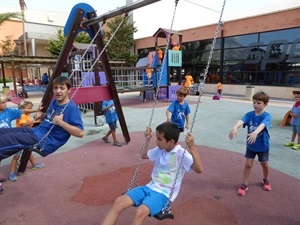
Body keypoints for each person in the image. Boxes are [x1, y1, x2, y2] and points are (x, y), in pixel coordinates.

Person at [101, 122, 203, 225]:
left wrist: (192, 147)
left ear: (171, 142)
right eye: (156, 138)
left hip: (164, 194)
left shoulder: (181, 153)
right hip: (149, 187)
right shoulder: (161, 150)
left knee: (140, 212)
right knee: (119, 202)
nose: (156, 141)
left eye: (159, 139)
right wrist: (147, 139)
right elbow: (143, 155)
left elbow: (199, 169)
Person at [0, 76, 84, 194]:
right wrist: (41, 115)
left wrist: (60, 122)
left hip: (42, 140)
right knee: (2, 133)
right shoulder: (55, 101)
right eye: (55, 88)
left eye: (62, 88)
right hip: (36, 131)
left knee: (4, 141)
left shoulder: (71, 108)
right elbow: (50, 117)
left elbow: (80, 133)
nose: (58, 91)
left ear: (69, 90)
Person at [228, 91, 272, 196]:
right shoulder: (249, 114)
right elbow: (242, 120)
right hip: (251, 145)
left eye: (258, 103)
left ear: (265, 104)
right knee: (248, 164)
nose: (255, 105)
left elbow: (263, 125)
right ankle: (244, 184)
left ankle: (266, 179)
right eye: (254, 102)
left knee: (264, 164)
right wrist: (235, 127)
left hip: (263, 146)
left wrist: (256, 132)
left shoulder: (267, 116)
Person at [0, 93, 43, 193]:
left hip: (7, 140)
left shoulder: (8, 111)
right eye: (2, 103)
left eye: (6, 102)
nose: (5, 104)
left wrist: (37, 110)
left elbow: (22, 111)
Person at [8, 100, 45, 182]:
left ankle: (34, 164)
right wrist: (35, 121)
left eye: (31, 108)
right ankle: (11, 173)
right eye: (29, 108)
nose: (30, 110)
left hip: (26, 137)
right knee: (16, 156)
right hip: (19, 138)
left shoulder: (27, 115)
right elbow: (23, 125)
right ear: (23, 109)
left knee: (28, 151)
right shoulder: (22, 115)